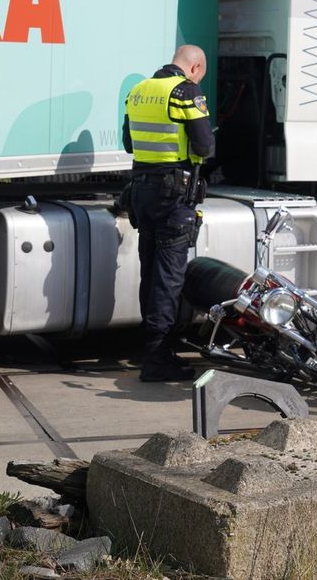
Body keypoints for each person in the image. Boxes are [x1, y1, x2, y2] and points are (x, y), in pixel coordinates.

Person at [122, 45, 215, 382]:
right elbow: (205, 146)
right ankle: (158, 357)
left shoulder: (139, 90)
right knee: (169, 277)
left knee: (150, 271)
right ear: (195, 67)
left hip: (141, 191)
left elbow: (129, 144)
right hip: (173, 193)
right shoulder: (185, 92)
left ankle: (150, 348)